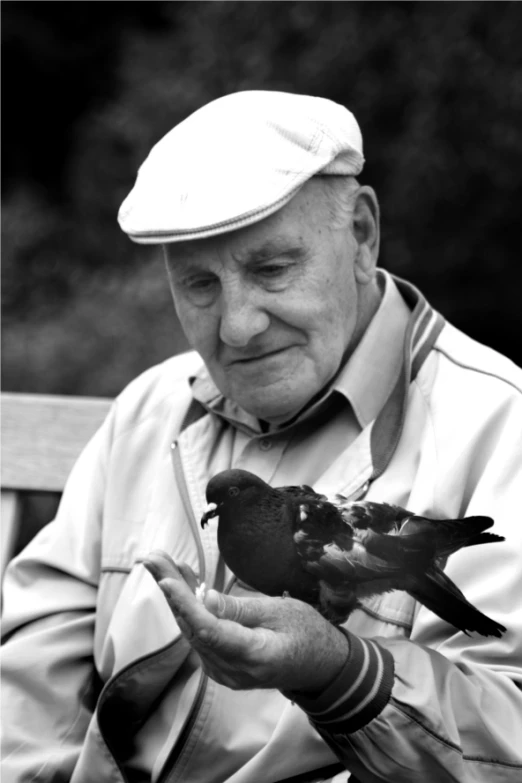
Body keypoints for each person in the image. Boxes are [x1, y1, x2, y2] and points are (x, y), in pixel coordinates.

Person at [2, 90, 521, 783]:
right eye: (199, 285)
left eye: (272, 269)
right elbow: (35, 654)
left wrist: (342, 673)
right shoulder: (150, 409)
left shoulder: (497, 427)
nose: (239, 326)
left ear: (362, 234)